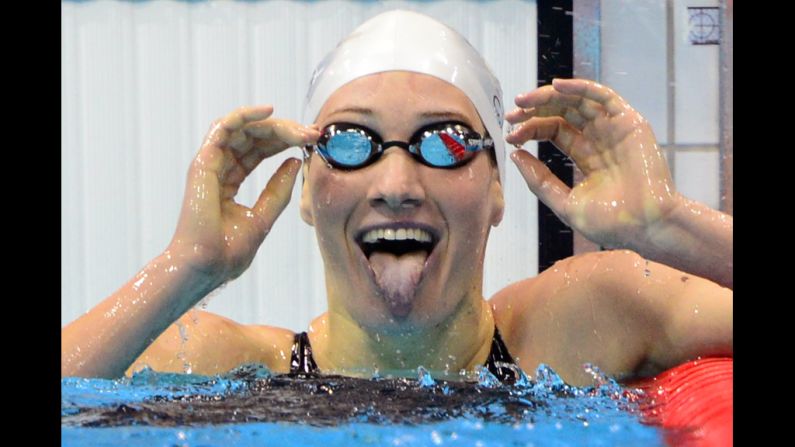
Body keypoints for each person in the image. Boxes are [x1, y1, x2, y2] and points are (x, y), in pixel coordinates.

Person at [61, 10, 732, 386]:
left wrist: (669, 226)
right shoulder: (215, 365)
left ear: (496, 187)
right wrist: (186, 267)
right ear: (303, 189)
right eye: (352, 141)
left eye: (443, 142)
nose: (395, 185)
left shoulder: (582, 320)